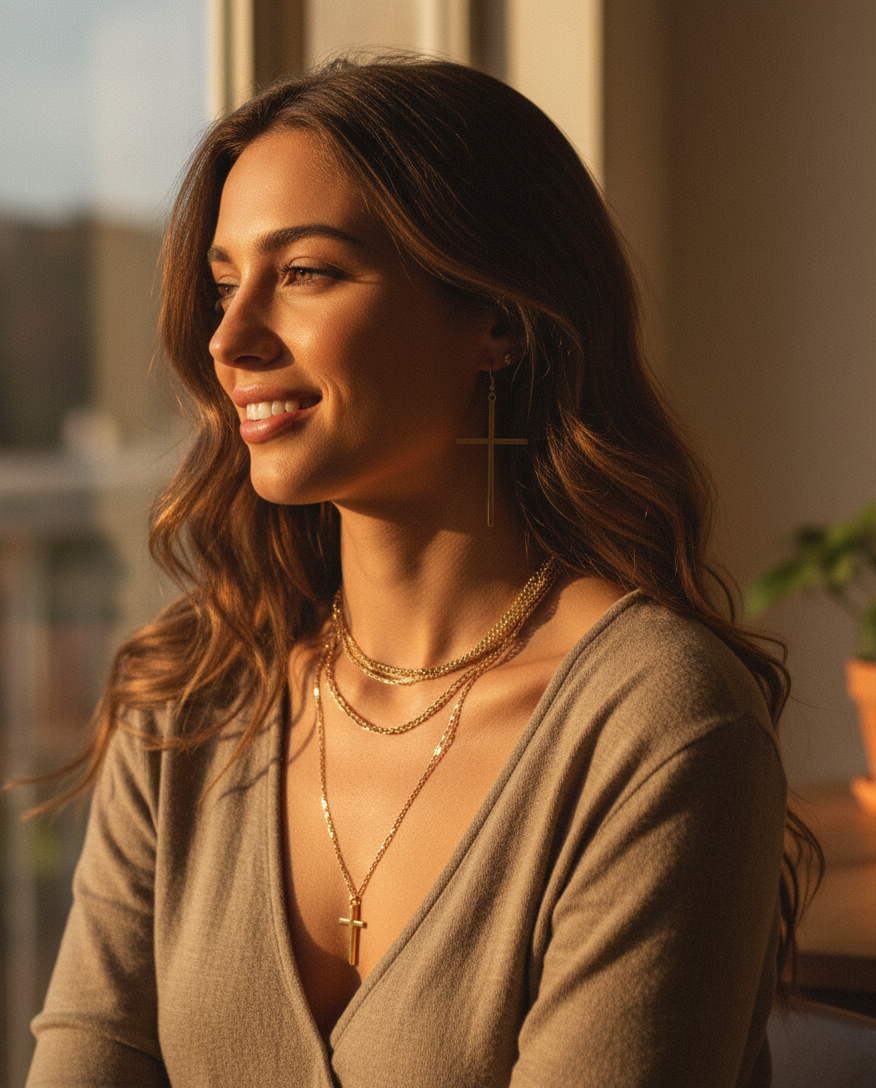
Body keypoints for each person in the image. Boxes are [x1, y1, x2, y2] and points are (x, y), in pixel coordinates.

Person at [27, 55, 815, 1087]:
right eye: (224, 283)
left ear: (497, 318)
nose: (229, 338)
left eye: (304, 272)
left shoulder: (657, 725)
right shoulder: (190, 697)